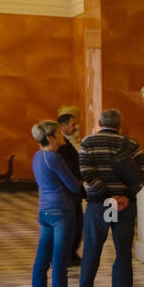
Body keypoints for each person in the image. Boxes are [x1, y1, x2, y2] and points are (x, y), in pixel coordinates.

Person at [73, 108, 144, 287]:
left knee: (92, 251)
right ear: (119, 125)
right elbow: (143, 174)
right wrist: (123, 196)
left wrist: (108, 197)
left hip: (100, 205)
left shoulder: (88, 143)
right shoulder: (131, 144)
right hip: (125, 205)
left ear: (99, 122)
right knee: (123, 253)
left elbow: (86, 173)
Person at [30, 120, 85, 287]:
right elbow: (72, 186)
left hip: (44, 211)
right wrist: (81, 181)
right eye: (59, 133)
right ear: (51, 137)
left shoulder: (37, 157)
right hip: (62, 211)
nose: (63, 135)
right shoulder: (53, 157)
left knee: (41, 262)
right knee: (60, 263)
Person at [57, 111, 83, 265]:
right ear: (63, 125)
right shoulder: (60, 146)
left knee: (77, 224)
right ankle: (67, 255)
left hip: (73, 190)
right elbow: (69, 168)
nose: (75, 127)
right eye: (73, 124)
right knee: (73, 224)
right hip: (69, 191)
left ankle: (71, 254)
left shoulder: (68, 142)